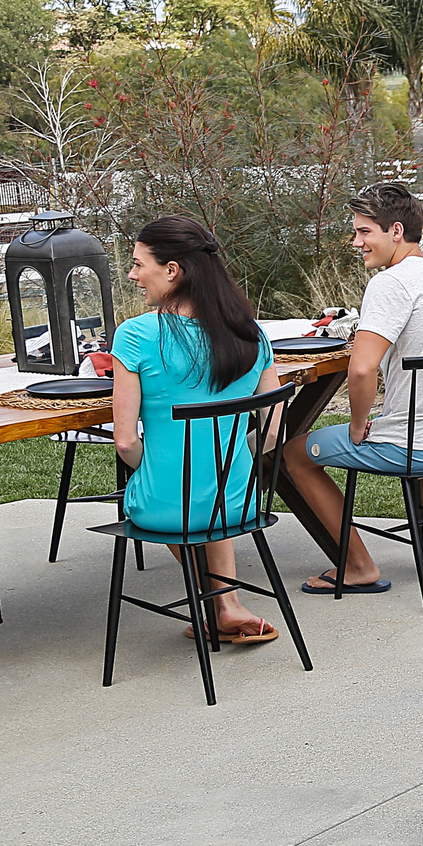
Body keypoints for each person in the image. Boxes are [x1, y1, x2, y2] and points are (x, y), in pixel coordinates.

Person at [284, 182, 423, 594]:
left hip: (415, 446)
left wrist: (358, 425)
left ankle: (358, 566)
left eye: (363, 232)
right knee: (419, 423)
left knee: (292, 454)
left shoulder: (391, 283)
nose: (355, 241)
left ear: (395, 231)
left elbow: (360, 370)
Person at [112, 215, 283, 644]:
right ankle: (227, 603)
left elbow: (125, 440)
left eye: (137, 264)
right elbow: (273, 430)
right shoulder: (251, 333)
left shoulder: (135, 335)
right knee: (206, 486)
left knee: (176, 494)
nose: (133, 275)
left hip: (167, 505)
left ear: (172, 271)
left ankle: (218, 605)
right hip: (241, 502)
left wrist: (154, 469)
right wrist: (229, 453)